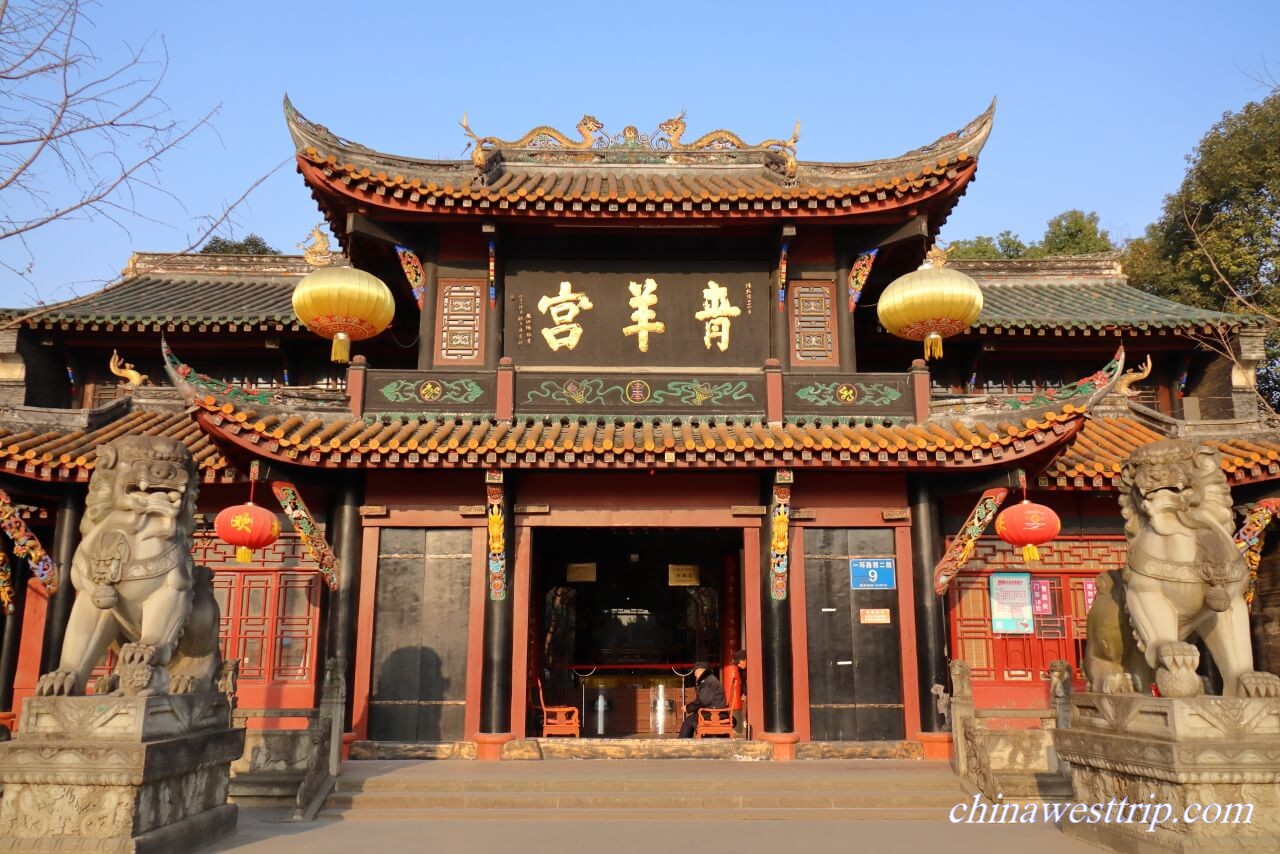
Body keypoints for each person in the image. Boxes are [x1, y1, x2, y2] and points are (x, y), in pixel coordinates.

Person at [678, 661, 726, 738]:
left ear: (701, 671)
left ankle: (682, 742)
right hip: (712, 710)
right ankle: (686, 741)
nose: (694, 674)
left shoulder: (708, 681)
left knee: (688, 721)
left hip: (714, 712)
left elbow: (703, 701)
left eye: (695, 671)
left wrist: (688, 707)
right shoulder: (708, 680)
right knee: (691, 720)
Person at [724, 650, 746, 732]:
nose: (739, 665)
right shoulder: (741, 670)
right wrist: (744, 693)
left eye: (739, 663)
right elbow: (743, 683)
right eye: (737, 664)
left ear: (745, 660)